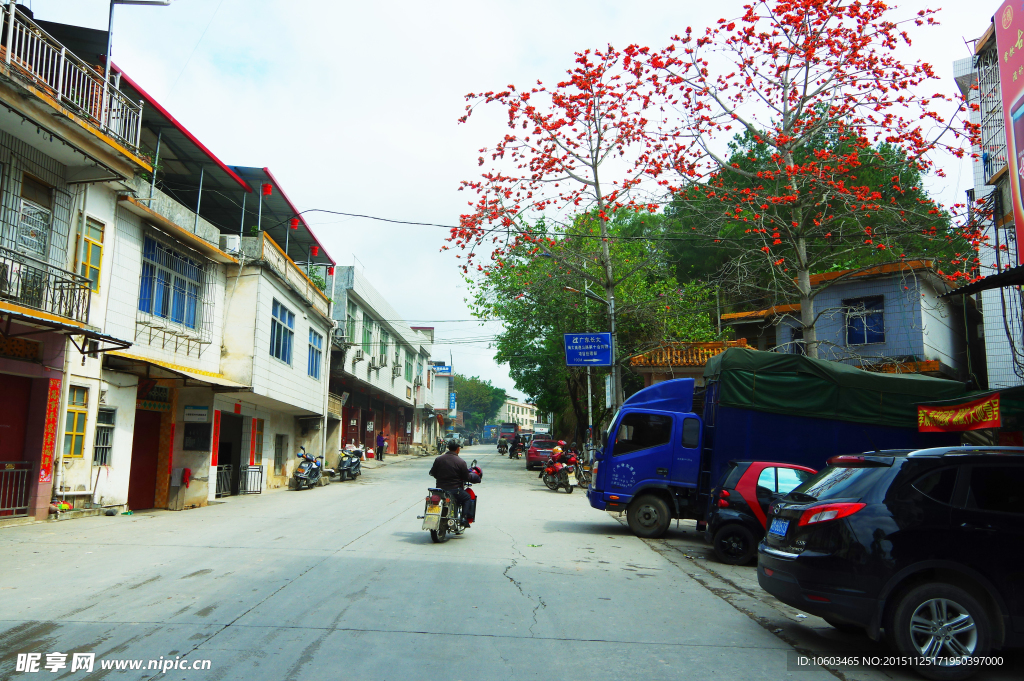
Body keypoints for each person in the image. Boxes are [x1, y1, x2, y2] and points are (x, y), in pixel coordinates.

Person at [428, 440, 482, 524]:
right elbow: (466, 477)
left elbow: (432, 472)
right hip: (454, 490)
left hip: (440, 490)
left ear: (448, 448)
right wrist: (474, 477)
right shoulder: (460, 462)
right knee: (467, 498)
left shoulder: (439, 459)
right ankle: (463, 519)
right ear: (458, 449)